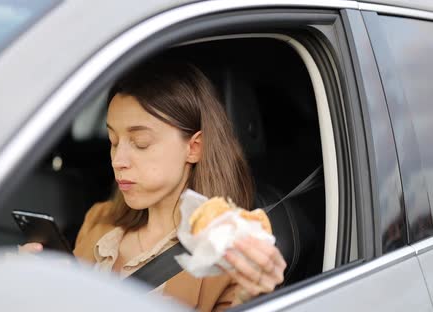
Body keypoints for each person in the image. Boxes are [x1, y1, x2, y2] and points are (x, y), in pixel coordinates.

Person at [20, 60, 286, 311]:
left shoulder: (229, 254)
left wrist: (251, 300)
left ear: (194, 148)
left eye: (141, 143)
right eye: (113, 141)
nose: (118, 160)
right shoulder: (99, 220)